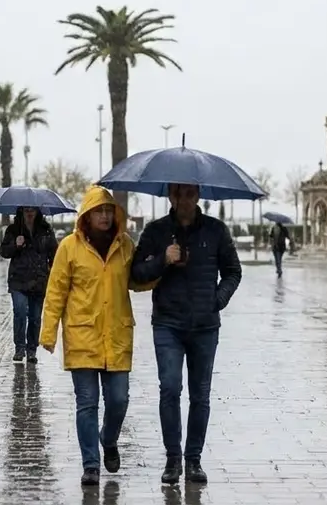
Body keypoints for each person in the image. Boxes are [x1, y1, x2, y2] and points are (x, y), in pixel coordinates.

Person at [41, 186, 156, 486]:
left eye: (109, 211)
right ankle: (91, 464)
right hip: (82, 336)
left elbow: (136, 280)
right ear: (87, 215)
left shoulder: (125, 245)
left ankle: (109, 438)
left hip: (117, 334)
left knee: (119, 400)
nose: (104, 216)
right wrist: (48, 332)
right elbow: (56, 291)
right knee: (87, 403)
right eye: (99, 211)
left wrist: (162, 271)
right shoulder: (69, 247)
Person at [130, 182, 242, 485]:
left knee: (200, 394)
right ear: (171, 195)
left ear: (198, 196)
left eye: (190, 193)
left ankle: (194, 460)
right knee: (169, 388)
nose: (184, 199)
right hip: (168, 323)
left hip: (205, 326)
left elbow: (233, 271)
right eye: (178, 193)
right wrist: (162, 259)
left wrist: (216, 301)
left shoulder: (216, 231)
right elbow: (135, 274)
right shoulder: (155, 231)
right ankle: (172, 459)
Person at [0, 206, 57, 364]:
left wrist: (53, 272)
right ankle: (20, 347)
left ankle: (32, 350)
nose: (30, 213)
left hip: (39, 280)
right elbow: (4, 252)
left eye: (32, 210)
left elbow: (54, 254)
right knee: (20, 311)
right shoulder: (13, 229)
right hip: (19, 279)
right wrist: (15, 245)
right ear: (21, 212)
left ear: (37, 212)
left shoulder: (46, 230)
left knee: (35, 317)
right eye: (26, 210)